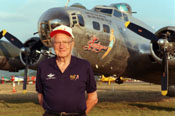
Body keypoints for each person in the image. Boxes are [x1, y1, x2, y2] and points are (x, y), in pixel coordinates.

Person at [36, 25, 98, 116]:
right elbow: (40, 96)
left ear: (72, 44)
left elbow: (93, 98)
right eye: (57, 42)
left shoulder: (84, 66)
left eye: (65, 42)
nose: (61, 46)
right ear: (53, 45)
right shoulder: (43, 66)